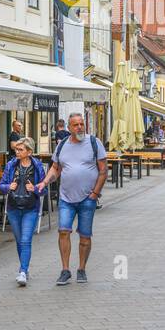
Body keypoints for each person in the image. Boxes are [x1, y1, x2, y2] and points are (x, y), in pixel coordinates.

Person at [36, 112, 107, 285]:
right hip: (66, 198)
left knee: (85, 236)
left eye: (82, 124)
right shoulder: (62, 146)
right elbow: (55, 169)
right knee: (63, 231)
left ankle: (81, 269)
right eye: (76, 125)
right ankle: (65, 270)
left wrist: (95, 194)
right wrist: (44, 182)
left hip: (87, 198)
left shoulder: (94, 143)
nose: (80, 127)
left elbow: (103, 171)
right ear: (69, 128)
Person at [0, 138, 47, 286]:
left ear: (29, 151)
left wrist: (36, 189)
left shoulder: (37, 166)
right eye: (16, 150)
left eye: (20, 150)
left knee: (26, 240)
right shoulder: (11, 165)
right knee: (20, 241)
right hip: (13, 208)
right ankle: (24, 270)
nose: (17, 152)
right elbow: (1, 185)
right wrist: (8, 187)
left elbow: (44, 189)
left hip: (30, 208)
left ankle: (22, 270)